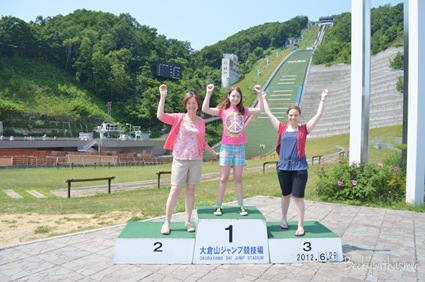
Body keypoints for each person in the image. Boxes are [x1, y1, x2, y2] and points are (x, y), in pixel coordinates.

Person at [262, 89, 329, 236]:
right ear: (287, 116)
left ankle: (300, 225)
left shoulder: (304, 129)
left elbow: (318, 115)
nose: (293, 117)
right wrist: (263, 97)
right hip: (284, 167)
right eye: (291, 115)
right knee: (285, 195)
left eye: (296, 115)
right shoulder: (281, 128)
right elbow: (268, 112)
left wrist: (322, 98)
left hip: (299, 167)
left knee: (298, 197)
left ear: (299, 116)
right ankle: (284, 220)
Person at [157, 84, 218, 235]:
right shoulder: (179, 118)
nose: (192, 105)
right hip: (180, 159)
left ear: (198, 104)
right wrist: (163, 96)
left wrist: (214, 153)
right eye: (189, 103)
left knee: (191, 190)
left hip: (196, 160)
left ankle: (188, 221)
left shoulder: (201, 122)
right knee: (175, 190)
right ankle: (166, 222)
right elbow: (160, 115)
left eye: (194, 103)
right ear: (186, 105)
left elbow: (202, 142)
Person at [202, 84, 264, 216]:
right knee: (224, 178)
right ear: (229, 96)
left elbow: (261, 109)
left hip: (240, 147)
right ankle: (218, 205)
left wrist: (259, 94)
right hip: (226, 147)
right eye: (233, 96)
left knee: (238, 178)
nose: (235, 98)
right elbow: (205, 109)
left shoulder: (243, 111)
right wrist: (208, 93)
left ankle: (241, 205)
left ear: (240, 98)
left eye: (238, 96)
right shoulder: (222, 110)